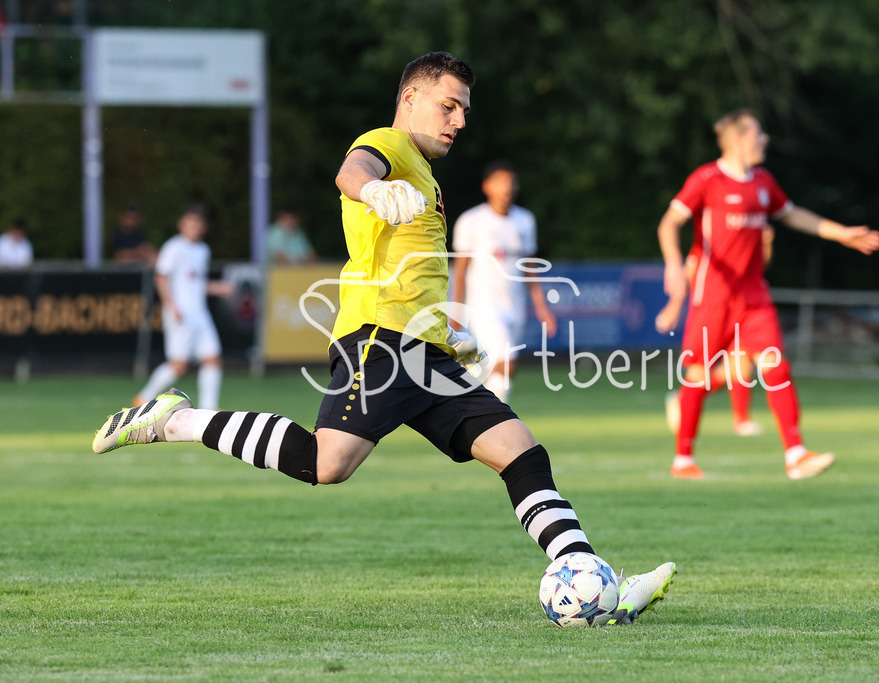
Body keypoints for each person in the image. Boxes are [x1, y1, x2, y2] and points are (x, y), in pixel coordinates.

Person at [93, 52, 675, 625]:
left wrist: (447, 327)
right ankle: (172, 420)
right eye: (449, 106)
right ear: (410, 98)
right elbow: (353, 171)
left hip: (426, 349)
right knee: (328, 463)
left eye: (465, 110)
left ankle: (593, 580)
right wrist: (371, 190)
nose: (459, 121)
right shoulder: (388, 145)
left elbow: (413, 271)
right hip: (381, 341)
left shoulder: (426, 174)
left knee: (520, 451)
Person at [656, 109, 879, 480]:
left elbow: (792, 215)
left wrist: (841, 233)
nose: (765, 140)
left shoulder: (763, 181)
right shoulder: (707, 179)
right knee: (697, 377)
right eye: (759, 134)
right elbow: (669, 223)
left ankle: (796, 454)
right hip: (713, 296)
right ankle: (683, 459)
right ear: (739, 139)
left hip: (754, 296)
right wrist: (672, 265)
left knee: (776, 367)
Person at [450, 161, 557, 402]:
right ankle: (493, 419)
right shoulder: (472, 221)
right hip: (484, 307)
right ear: (487, 186)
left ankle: (474, 406)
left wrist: (542, 308)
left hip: (514, 306)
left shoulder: (525, 221)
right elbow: (461, 270)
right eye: (500, 181)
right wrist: (456, 311)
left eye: (511, 182)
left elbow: (529, 267)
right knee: (505, 362)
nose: (507, 187)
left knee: (503, 370)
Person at [660, 230, 776, 437]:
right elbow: (688, 274)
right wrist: (674, 307)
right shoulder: (707, 246)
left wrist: (765, 243)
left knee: (739, 365)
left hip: (743, 310)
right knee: (709, 372)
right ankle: (686, 401)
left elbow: (759, 268)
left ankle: (740, 419)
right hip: (712, 313)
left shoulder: (744, 245)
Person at [131, 204, 235, 411]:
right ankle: (143, 397)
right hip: (181, 313)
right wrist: (171, 306)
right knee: (179, 365)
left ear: (203, 227)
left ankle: (209, 408)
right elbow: (160, 277)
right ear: (182, 224)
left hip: (200, 314)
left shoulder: (203, 249)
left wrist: (217, 288)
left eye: (198, 223)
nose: (194, 227)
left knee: (213, 358)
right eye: (190, 222)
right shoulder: (174, 247)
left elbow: (196, 283)